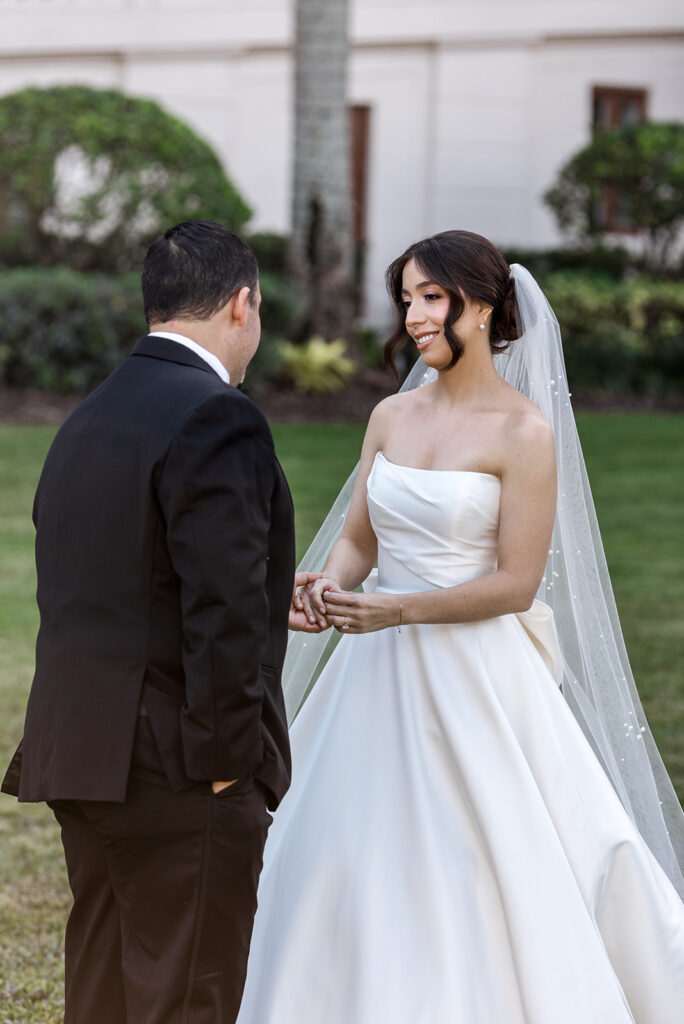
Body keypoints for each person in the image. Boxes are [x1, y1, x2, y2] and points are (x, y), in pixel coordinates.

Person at [236, 230, 684, 1024]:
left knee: (488, 850)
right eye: (407, 298)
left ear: (481, 307)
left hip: (476, 674)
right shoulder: (391, 415)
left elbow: (514, 584)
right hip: (373, 670)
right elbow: (361, 539)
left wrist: (394, 609)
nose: (413, 316)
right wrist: (330, 589)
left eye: (431, 298)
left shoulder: (524, 433)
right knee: (340, 841)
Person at [2, 220, 318, 1024]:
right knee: (187, 996)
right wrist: (225, 765)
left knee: (104, 988)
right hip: (178, 767)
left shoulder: (89, 419)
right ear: (243, 304)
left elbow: (117, 571)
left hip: (81, 752)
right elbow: (223, 612)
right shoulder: (219, 415)